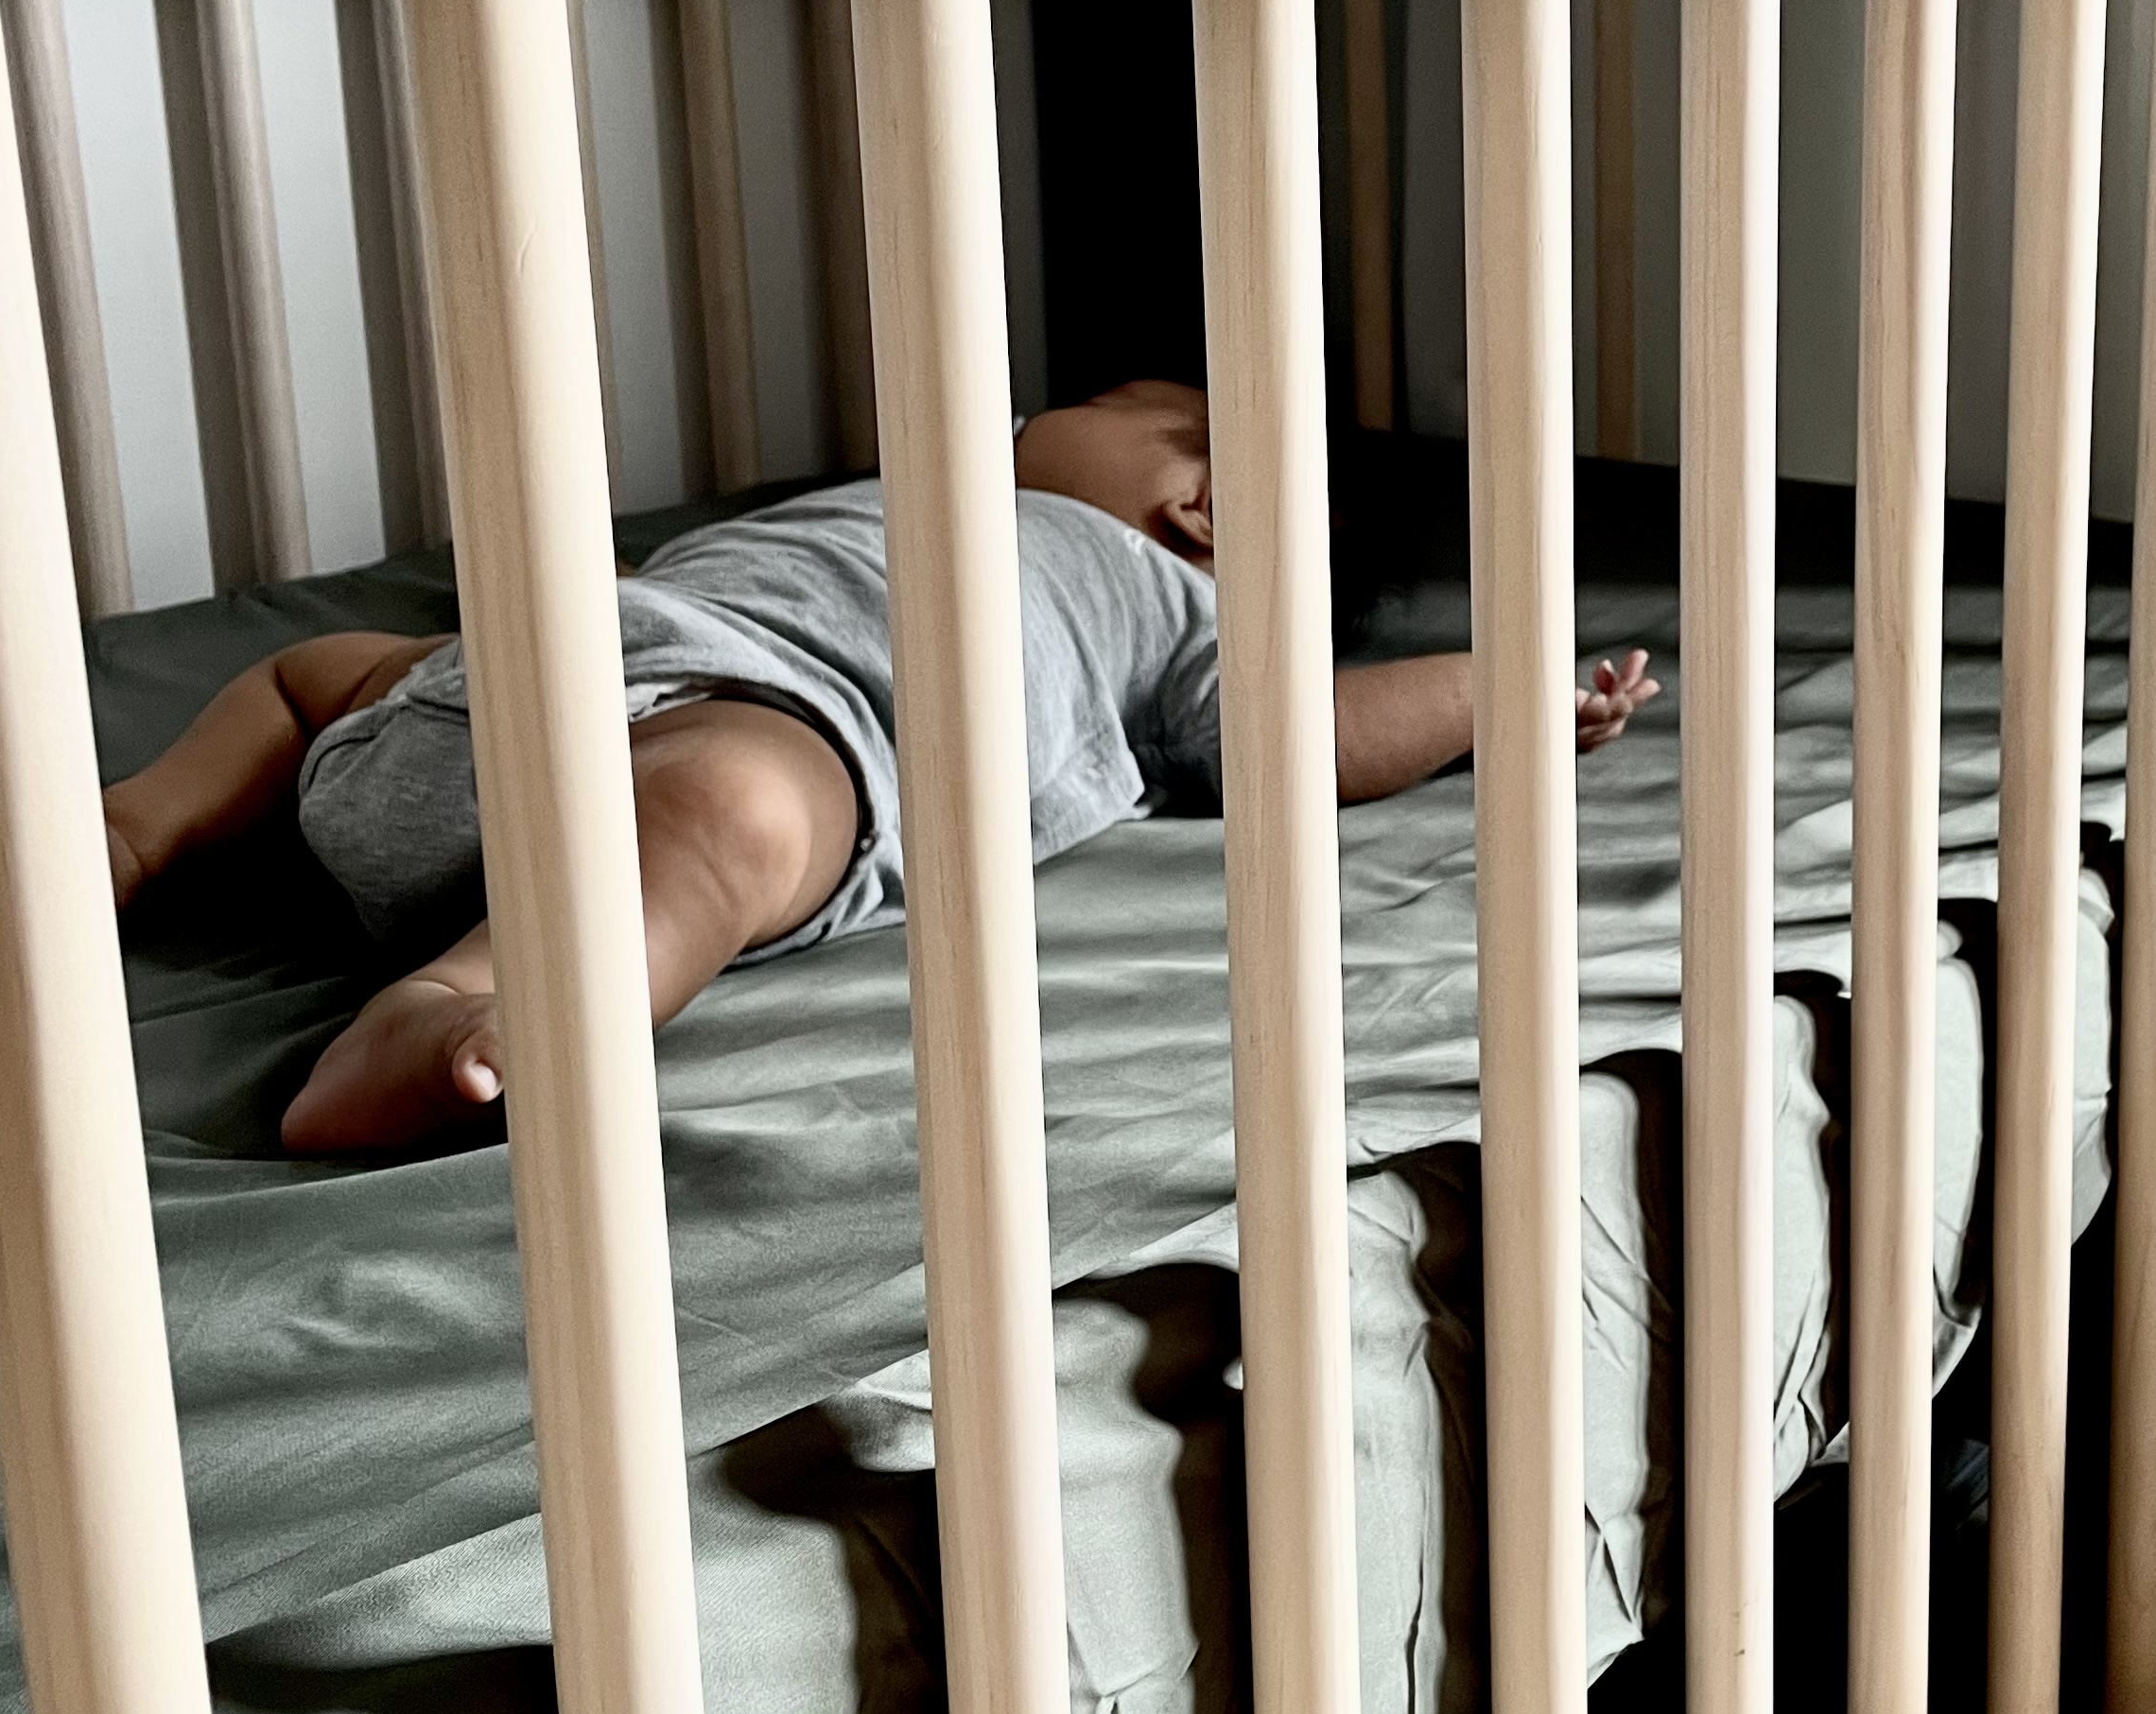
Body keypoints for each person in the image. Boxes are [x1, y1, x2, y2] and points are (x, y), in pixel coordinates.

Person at [103, 378, 1659, 1155]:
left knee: (733, 802)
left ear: (1203, 506)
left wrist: (1498, 684)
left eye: (1118, 408)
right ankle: (140, 828)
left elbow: (1290, 744)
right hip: (551, 674)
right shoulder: (889, 497)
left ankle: (466, 998)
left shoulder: (1175, 602)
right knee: (336, 675)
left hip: (751, 717)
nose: (1045, 408)